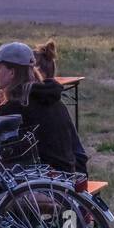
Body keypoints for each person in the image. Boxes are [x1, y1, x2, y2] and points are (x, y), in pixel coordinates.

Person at [0, 42, 80, 173]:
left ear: (11, 72)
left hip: (40, 181)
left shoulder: (18, 105)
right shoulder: (52, 100)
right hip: (65, 176)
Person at [32, 40, 89, 174]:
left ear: (37, 72)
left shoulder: (35, 103)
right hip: (77, 169)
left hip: (61, 176)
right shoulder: (56, 102)